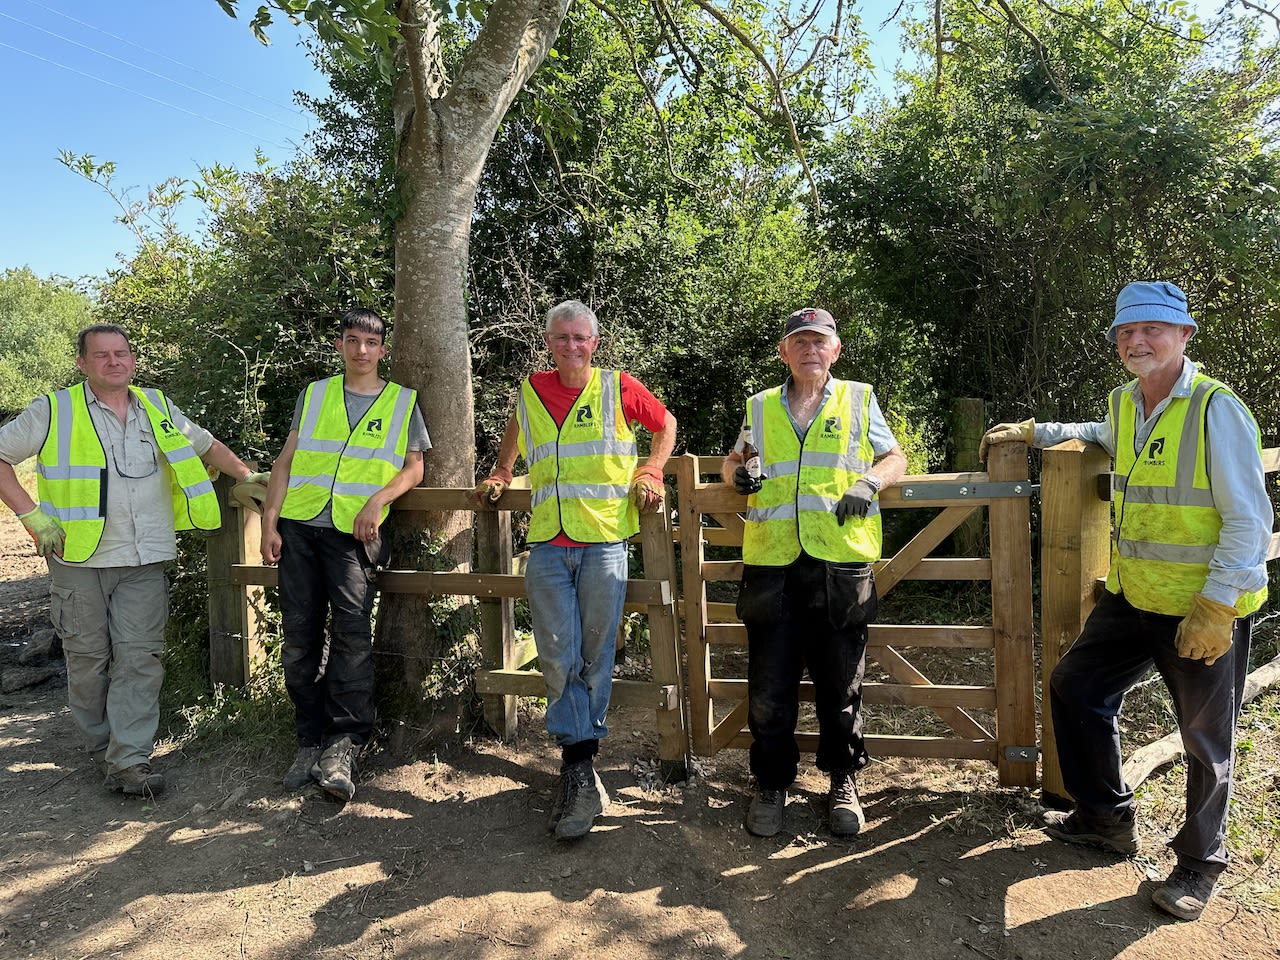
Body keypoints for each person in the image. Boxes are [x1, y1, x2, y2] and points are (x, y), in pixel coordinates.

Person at [980, 281, 1272, 922]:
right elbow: (1100, 431)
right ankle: (1105, 819)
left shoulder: (1215, 409)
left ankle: (1199, 865)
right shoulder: (1126, 403)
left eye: (1152, 330)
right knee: (1074, 685)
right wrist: (1038, 431)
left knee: (1204, 738)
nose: (1137, 341)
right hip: (1133, 596)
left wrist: (1219, 603)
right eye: (1125, 333)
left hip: (1200, 608)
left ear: (1184, 336)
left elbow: (1249, 518)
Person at [0, 323, 264, 797]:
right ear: (82, 363)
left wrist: (246, 474)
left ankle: (129, 759)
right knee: (87, 661)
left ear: (133, 359)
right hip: (78, 559)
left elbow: (205, 446)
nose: (113, 362)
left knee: (140, 658)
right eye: (101, 355)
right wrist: (32, 516)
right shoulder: (54, 410)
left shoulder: (158, 407)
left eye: (121, 353)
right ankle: (102, 747)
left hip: (146, 557)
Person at [474, 299, 676, 840]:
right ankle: (580, 765)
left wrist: (652, 468)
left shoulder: (617, 387)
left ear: (595, 342)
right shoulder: (530, 391)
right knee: (557, 654)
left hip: (605, 540)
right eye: (561, 337)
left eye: (579, 337)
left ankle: (579, 767)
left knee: (595, 652)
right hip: (545, 542)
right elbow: (516, 431)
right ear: (548, 343)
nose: (570, 345)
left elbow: (666, 423)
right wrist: (501, 469)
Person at [721, 307, 907, 838]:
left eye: (818, 341)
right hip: (772, 565)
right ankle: (772, 784)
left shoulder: (859, 398)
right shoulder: (759, 406)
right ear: (784, 351)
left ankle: (843, 781)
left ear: (835, 351)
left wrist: (869, 483)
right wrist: (738, 477)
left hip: (839, 563)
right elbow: (734, 460)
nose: (809, 349)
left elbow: (894, 458)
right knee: (769, 684)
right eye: (798, 341)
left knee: (840, 682)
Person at [257, 308, 429, 802]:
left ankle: (345, 743)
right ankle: (308, 740)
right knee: (299, 636)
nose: (360, 351)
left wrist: (377, 500)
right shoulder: (315, 395)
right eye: (351, 341)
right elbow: (285, 461)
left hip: (355, 535)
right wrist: (271, 522)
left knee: (352, 634)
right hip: (299, 530)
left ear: (382, 349)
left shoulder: (401, 402)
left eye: (370, 343)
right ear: (340, 345)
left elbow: (413, 468)